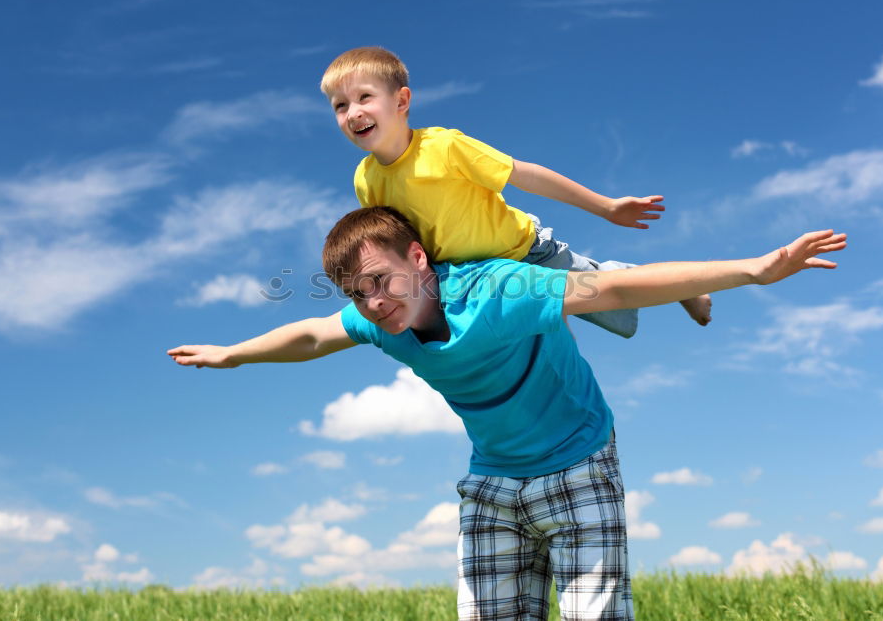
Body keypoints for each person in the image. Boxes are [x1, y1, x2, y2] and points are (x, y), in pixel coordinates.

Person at [168, 206, 846, 620]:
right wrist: (234, 354)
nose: (372, 303)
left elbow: (608, 287)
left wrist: (754, 270)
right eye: (358, 292)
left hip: (579, 460)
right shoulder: (384, 323)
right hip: (493, 484)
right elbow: (314, 334)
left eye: (380, 282)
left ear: (419, 258)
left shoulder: (499, 289)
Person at [319, 46, 713, 340]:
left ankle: (687, 287)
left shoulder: (444, 147)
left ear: (401, 101)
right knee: (538, 343)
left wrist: (607, 207)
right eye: (340, 105)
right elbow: (393, 247)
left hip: (528, 253)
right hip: (468, 279)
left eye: (364, 97)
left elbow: (527, 176)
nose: (352, 112)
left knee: (618, 305)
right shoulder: (365, 180)